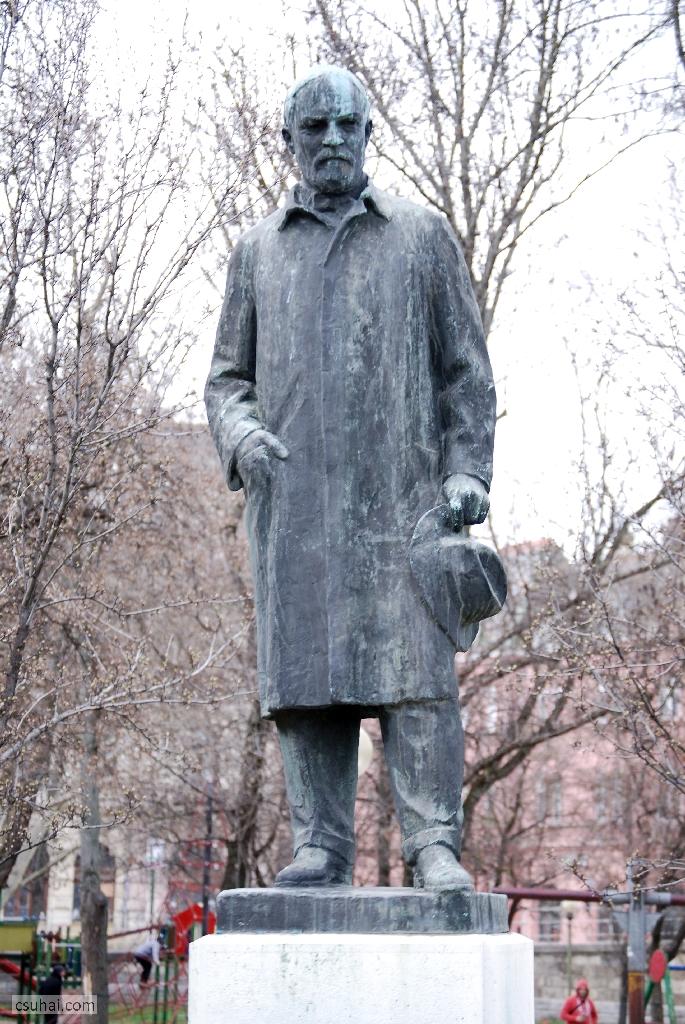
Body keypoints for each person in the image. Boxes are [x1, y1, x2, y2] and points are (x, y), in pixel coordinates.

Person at [205, 65, 497, 889]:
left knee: (418, 683)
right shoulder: (257, 251)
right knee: (306, 685)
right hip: (295, 504)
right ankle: (320, 845)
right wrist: (241, 435)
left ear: (369, 133)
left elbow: (466, 373)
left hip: (404, 505)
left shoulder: (421, 235)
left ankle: (432, 842)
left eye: (346, 125)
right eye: (314, 127)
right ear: (288, 141)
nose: (331, 139)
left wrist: (466, 471)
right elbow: (226, 379)